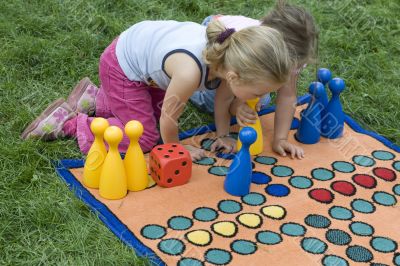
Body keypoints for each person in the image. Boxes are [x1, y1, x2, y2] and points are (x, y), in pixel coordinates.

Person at [21, 19, 292, 161]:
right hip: (122, 66)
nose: (261, 98)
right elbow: (169, 119)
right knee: (146, 137)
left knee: (146, 115)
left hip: (150, 68)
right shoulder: (190, 74)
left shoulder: (227, 60)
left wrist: (223, 135)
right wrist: (175, 147)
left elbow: (223, 101)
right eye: (259, 91)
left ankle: (97, 99)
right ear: (234, 75)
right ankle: (71, 123)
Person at [190, 0, 318, 159]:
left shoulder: (294, 55)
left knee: (259, 99)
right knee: (211, 99)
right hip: (217, 35)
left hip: (240, 42)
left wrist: (281, 139)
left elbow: (287, 95)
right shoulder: (247, 53)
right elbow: (223, 98)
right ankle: (191, 87)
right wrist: (223, 135)